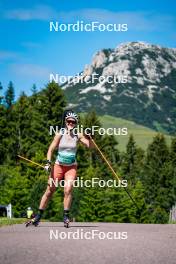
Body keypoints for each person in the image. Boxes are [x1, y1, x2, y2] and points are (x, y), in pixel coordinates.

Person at [30, 110, 93, 227]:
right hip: (58, 165)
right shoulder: (60, 133)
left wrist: (90, 138)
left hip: (71, 167)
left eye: (73, 122)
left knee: (68, 190)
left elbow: (90, 146)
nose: (70, 123)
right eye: (69, 121)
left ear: (76, 123)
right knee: (50, 190)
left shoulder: (78, 134)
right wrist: (48, 163)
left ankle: (66, 216)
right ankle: (38, 216)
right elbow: (51, 149)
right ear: (65, 122)